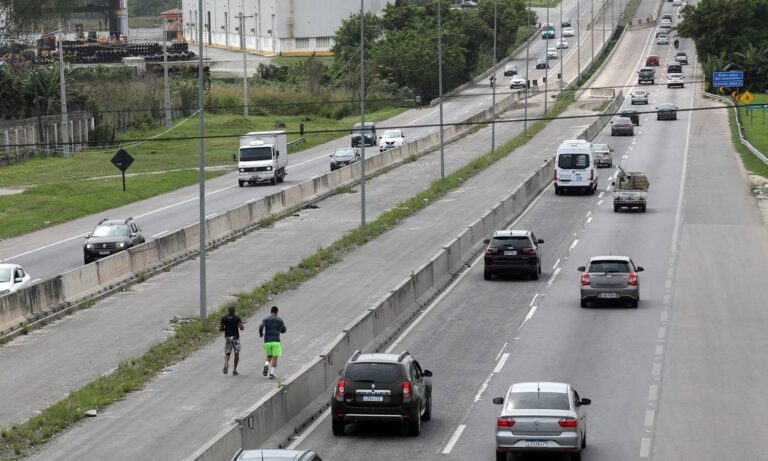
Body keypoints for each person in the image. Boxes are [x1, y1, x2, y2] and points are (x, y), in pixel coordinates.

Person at [259, 306, 287, 379]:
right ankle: (271, 373)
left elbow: (261, 326)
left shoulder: (265, 319)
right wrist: (279, 329)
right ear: (277, 312)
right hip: (276, 341)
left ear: (271, 312)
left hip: (267, 341)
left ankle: (266, 365)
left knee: (268, 356)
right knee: (274, 357)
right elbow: (283, 330)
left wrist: (261, 333)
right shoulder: (279, 320)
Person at [219, 306, 244, 376]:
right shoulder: (237, 318)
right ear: (234, 311)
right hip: (235, 338)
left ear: (228, 311)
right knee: (236, 353)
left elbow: (220, 329)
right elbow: (241, 328)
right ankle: (234, 370)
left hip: (228, 338)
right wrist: (241, 325)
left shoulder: (224, 318)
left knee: (227, 353)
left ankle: (226, 363)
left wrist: (226, 328)